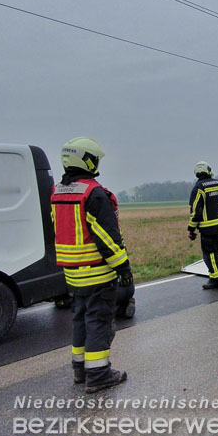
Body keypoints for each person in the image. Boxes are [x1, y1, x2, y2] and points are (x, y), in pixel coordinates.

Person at [50, 137, 129, 393]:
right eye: (94, 159)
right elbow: (106, 236)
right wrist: (122, 267)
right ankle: (99, 375)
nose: (96, 163)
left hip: (72, 274)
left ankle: (80, 370)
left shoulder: (57, 191)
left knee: (80, 320)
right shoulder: (92, 192)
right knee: (99, 322)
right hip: (96, 271)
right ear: (85, 159)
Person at [187, 161, 218, 289]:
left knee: (210, 254)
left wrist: (191, 229)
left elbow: (195, 211)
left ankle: (216, 278)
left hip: (207, 227)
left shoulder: (198, 188)